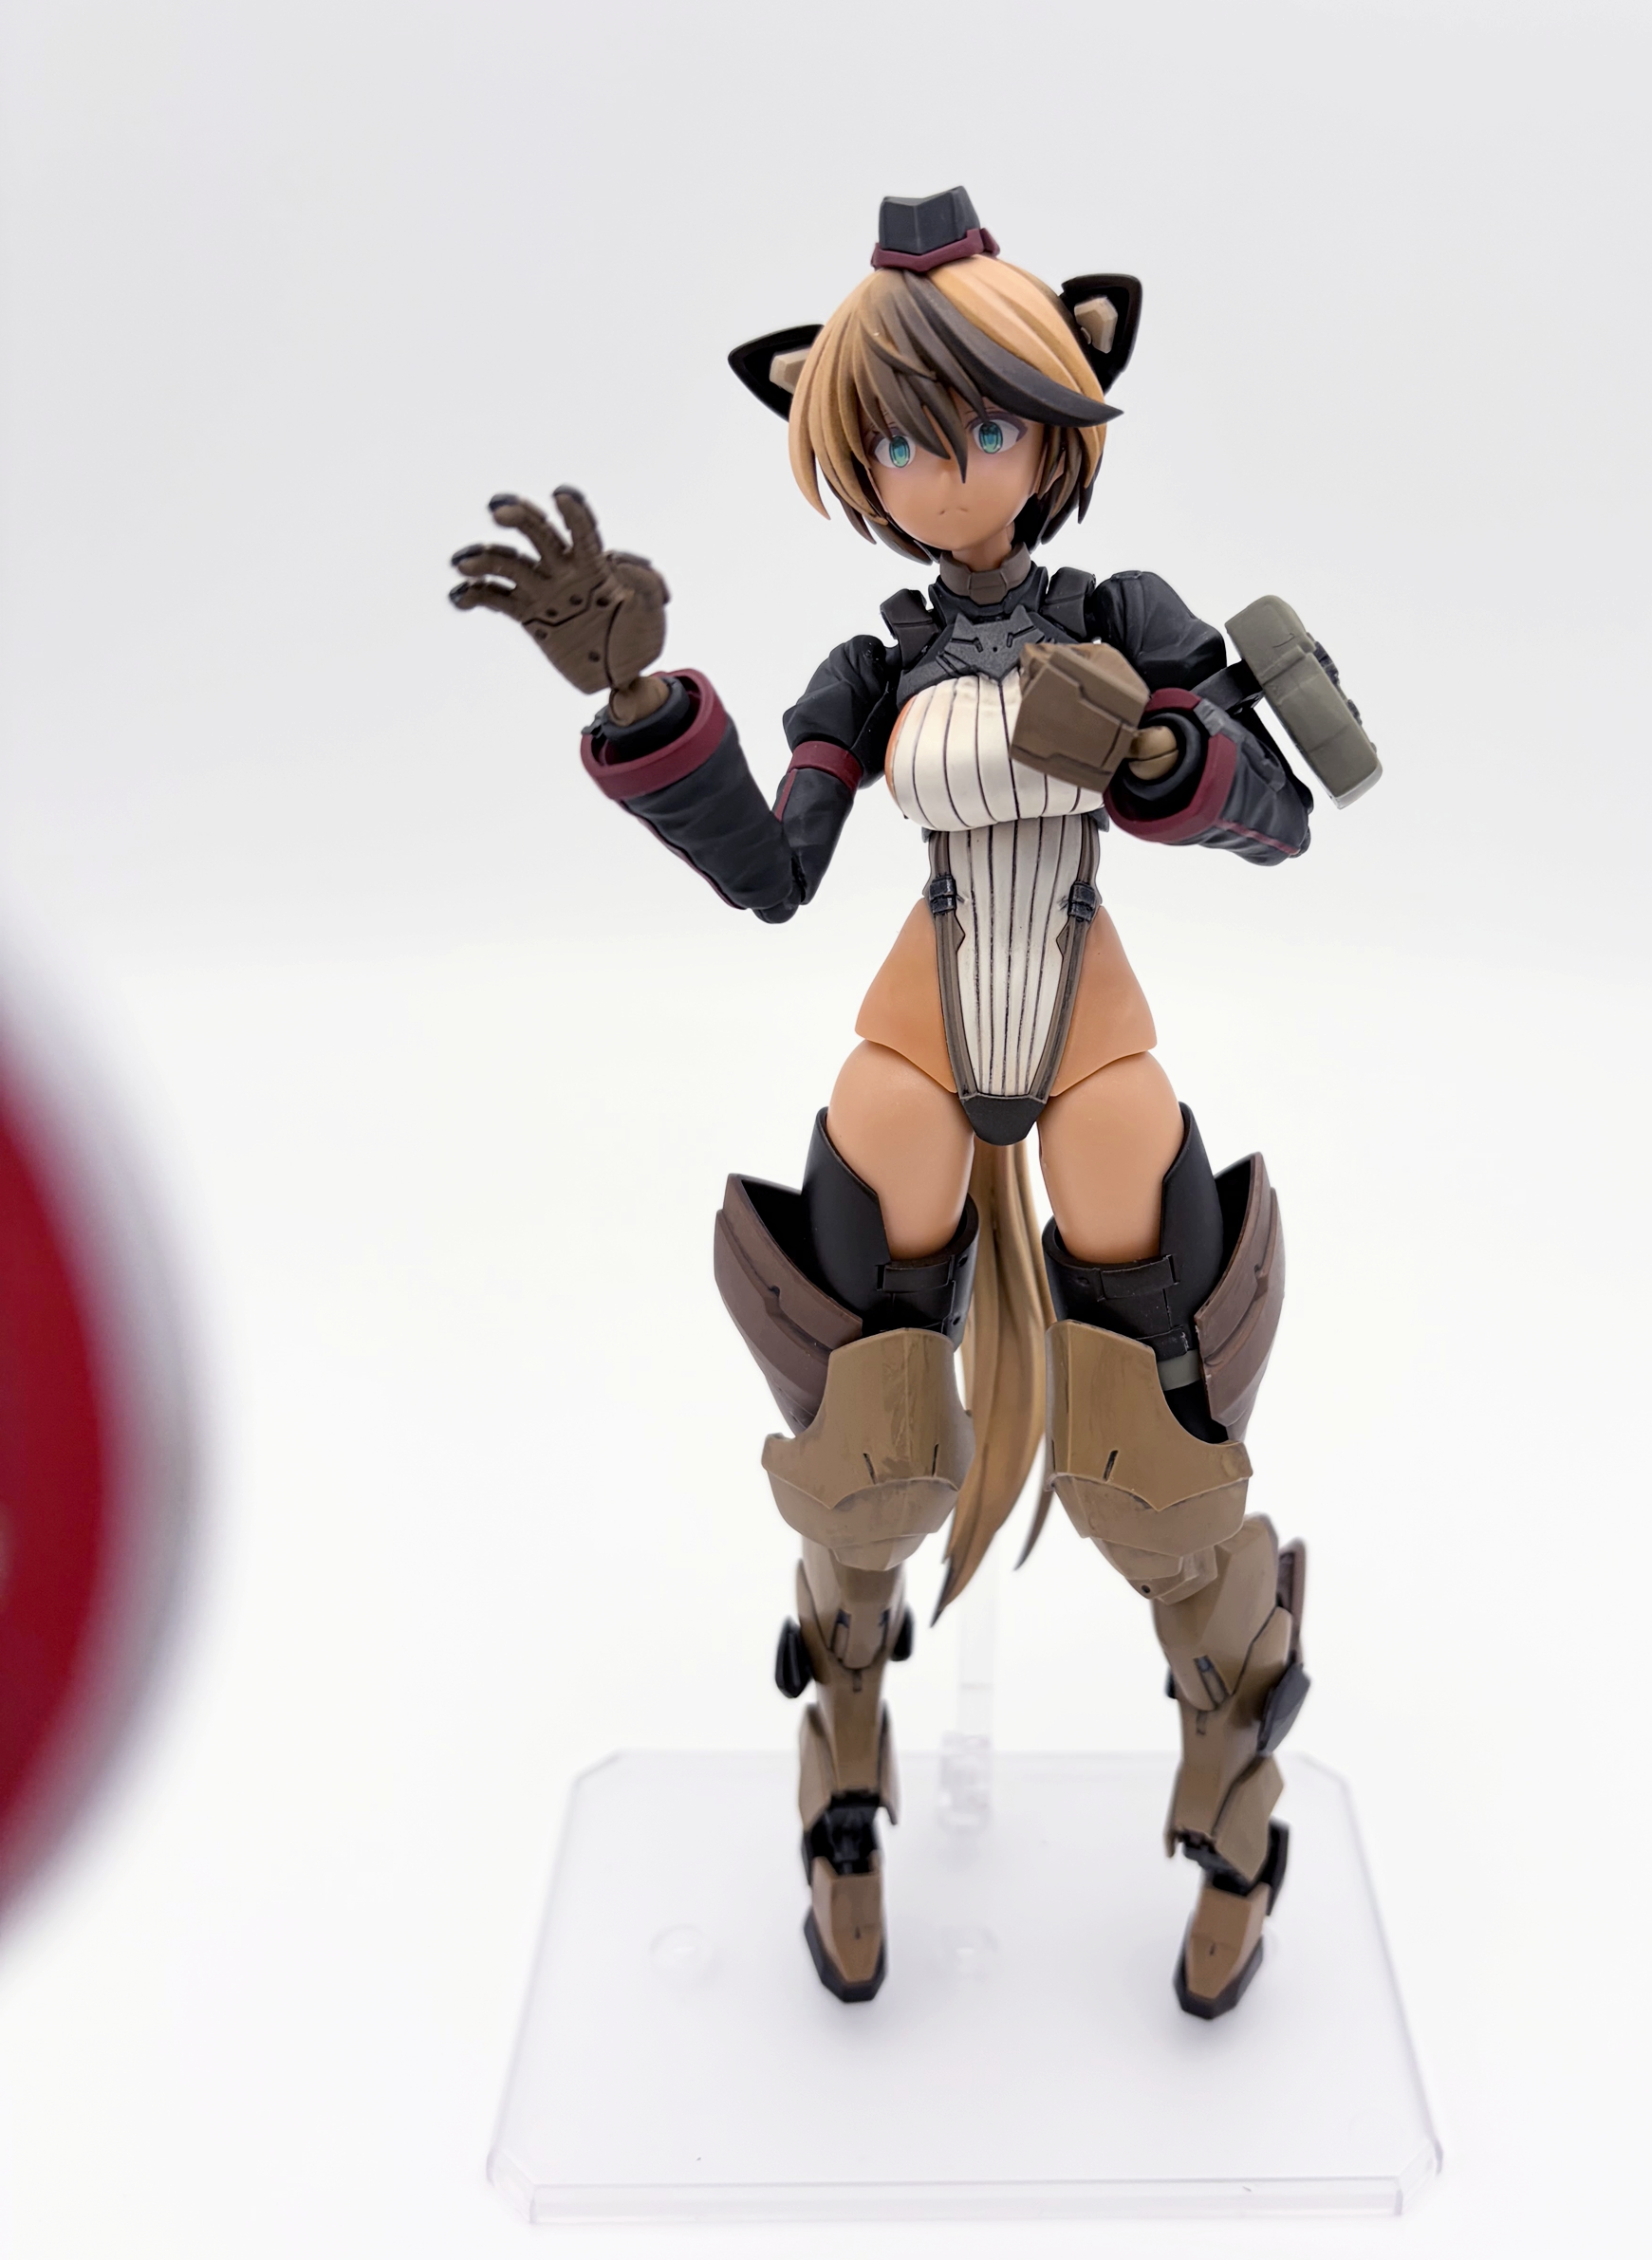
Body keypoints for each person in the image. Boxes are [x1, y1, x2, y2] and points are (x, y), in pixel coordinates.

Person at [451, 187, 1314, 2019]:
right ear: (847, 455)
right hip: (921, 1025)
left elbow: (1277, 813)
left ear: (1062, 414)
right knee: (869, 1438)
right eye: (903, 441)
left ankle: (1234, 1762)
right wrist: (641, 700)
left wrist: (1162, 748)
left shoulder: (1128, 615)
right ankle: (840, 1732)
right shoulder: (873, 666)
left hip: (1086, 1023)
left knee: (1155, 1449)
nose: (946, 468)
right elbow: (772, 868)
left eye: (985, 423)